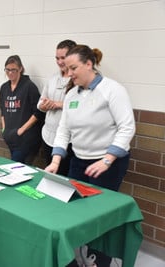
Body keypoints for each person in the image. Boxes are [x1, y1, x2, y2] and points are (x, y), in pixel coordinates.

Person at [45, 44, 136, 267]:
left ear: (89, 64)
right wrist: (56, 160)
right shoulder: (71, 95)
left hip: (108, 164)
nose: (69, 73)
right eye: (66, 68)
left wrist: (107, 160)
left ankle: (100, 260)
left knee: (100, 214)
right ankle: (80, 252)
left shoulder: (112, 90)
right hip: (79, 160)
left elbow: (127, 127)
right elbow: (64, 130)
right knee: (78, 208)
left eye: (73, 67)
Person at [37, 40, 77, 175]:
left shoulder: (78, 80)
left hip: (69, 141)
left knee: (66, 176)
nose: (59, 62)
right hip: (48, 136)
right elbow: (40, 103)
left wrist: (58, 104)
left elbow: (81, 105)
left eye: (63, 58)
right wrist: (44, 105)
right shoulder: (53, 79)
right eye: (57, 58)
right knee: (52, 174)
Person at [0, 55, 45, 164]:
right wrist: (4, 129)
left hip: (26, 137)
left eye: (13, 70)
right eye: (7, 70)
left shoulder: (29, 86)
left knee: (15, 165)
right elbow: (2, 109)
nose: (10, 73)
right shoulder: (4, 88)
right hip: (11, 136)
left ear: (20, 69)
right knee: (17, 166)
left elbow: (38, 112)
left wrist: (22, 130)